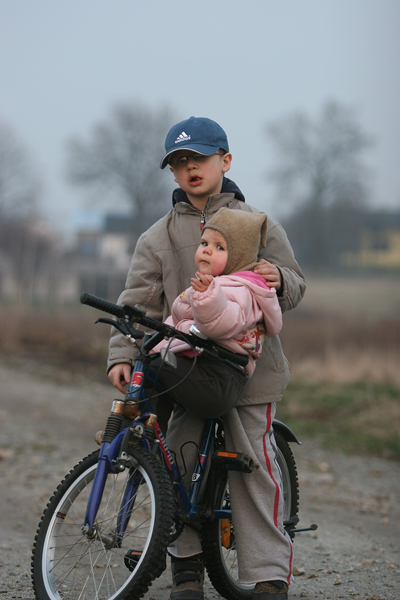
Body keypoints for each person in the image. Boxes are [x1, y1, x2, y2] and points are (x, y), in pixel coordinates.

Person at [107, 116, 306, 600]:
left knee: (254, 466)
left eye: (198, 158)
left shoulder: (258, 223)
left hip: (248, 371)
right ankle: (186, 569)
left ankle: (267, 575)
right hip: (189, 367)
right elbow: (138, 304)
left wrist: (279, 278)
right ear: (172, 173)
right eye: (179, 162)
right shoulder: (157, 237)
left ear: (226, 161)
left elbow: (296, 284)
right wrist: (120, 353)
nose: (189, 167)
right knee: (177, 456)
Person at [144, 207, 283, 427]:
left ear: (239, 256)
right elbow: (179, 322)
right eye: (204, 243)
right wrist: (157, 345)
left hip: (221, 376)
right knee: (147, 365)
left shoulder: (244, 290)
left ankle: (141, 436)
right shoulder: (212, 284)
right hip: (201, 365)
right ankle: (141, 438)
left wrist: (207, 296)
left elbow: (221, 324)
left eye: (219, 247)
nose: (207, 251)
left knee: (153, 369)